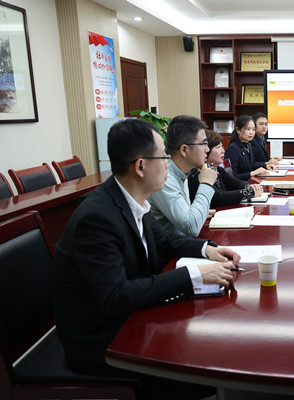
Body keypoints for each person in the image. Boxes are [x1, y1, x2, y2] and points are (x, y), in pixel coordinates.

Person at [52, 119, 239, 398]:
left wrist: (207, 249)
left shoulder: (132, 197)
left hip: (133, 317)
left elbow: (164, 240)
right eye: (163, 157)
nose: (168, 164)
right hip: (102, 338)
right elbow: (117, 296)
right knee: (210, 366)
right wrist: (195, 275)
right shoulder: (97, 217)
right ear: (140, 166)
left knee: (213, 337)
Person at [148, 115, 217, 237]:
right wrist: (206, 184)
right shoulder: (164, 178)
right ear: (184, 150)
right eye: (204, 144)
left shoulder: (182, 171)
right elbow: (191, 228)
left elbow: (187, 217)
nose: (207, 149)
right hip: (168, 248)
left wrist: (200, 213)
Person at [189, 129, 264, 207]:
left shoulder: (218, 169)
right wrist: (250, 192)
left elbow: (236, 183)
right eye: (218, 147)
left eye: (222, 146)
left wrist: (249, 186)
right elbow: (219, 198)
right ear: (206, 150)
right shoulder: (198, 173)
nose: (223, 151)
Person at [224, 115, 276, 180]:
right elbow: (231, 177)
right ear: (238, 130)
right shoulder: (232, 149)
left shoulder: (248, 145)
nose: (251, 132)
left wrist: (266, 166)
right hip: (240, 185)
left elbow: (250, 165)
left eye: (253, 129)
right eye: (248, 129)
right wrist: (252, 173)